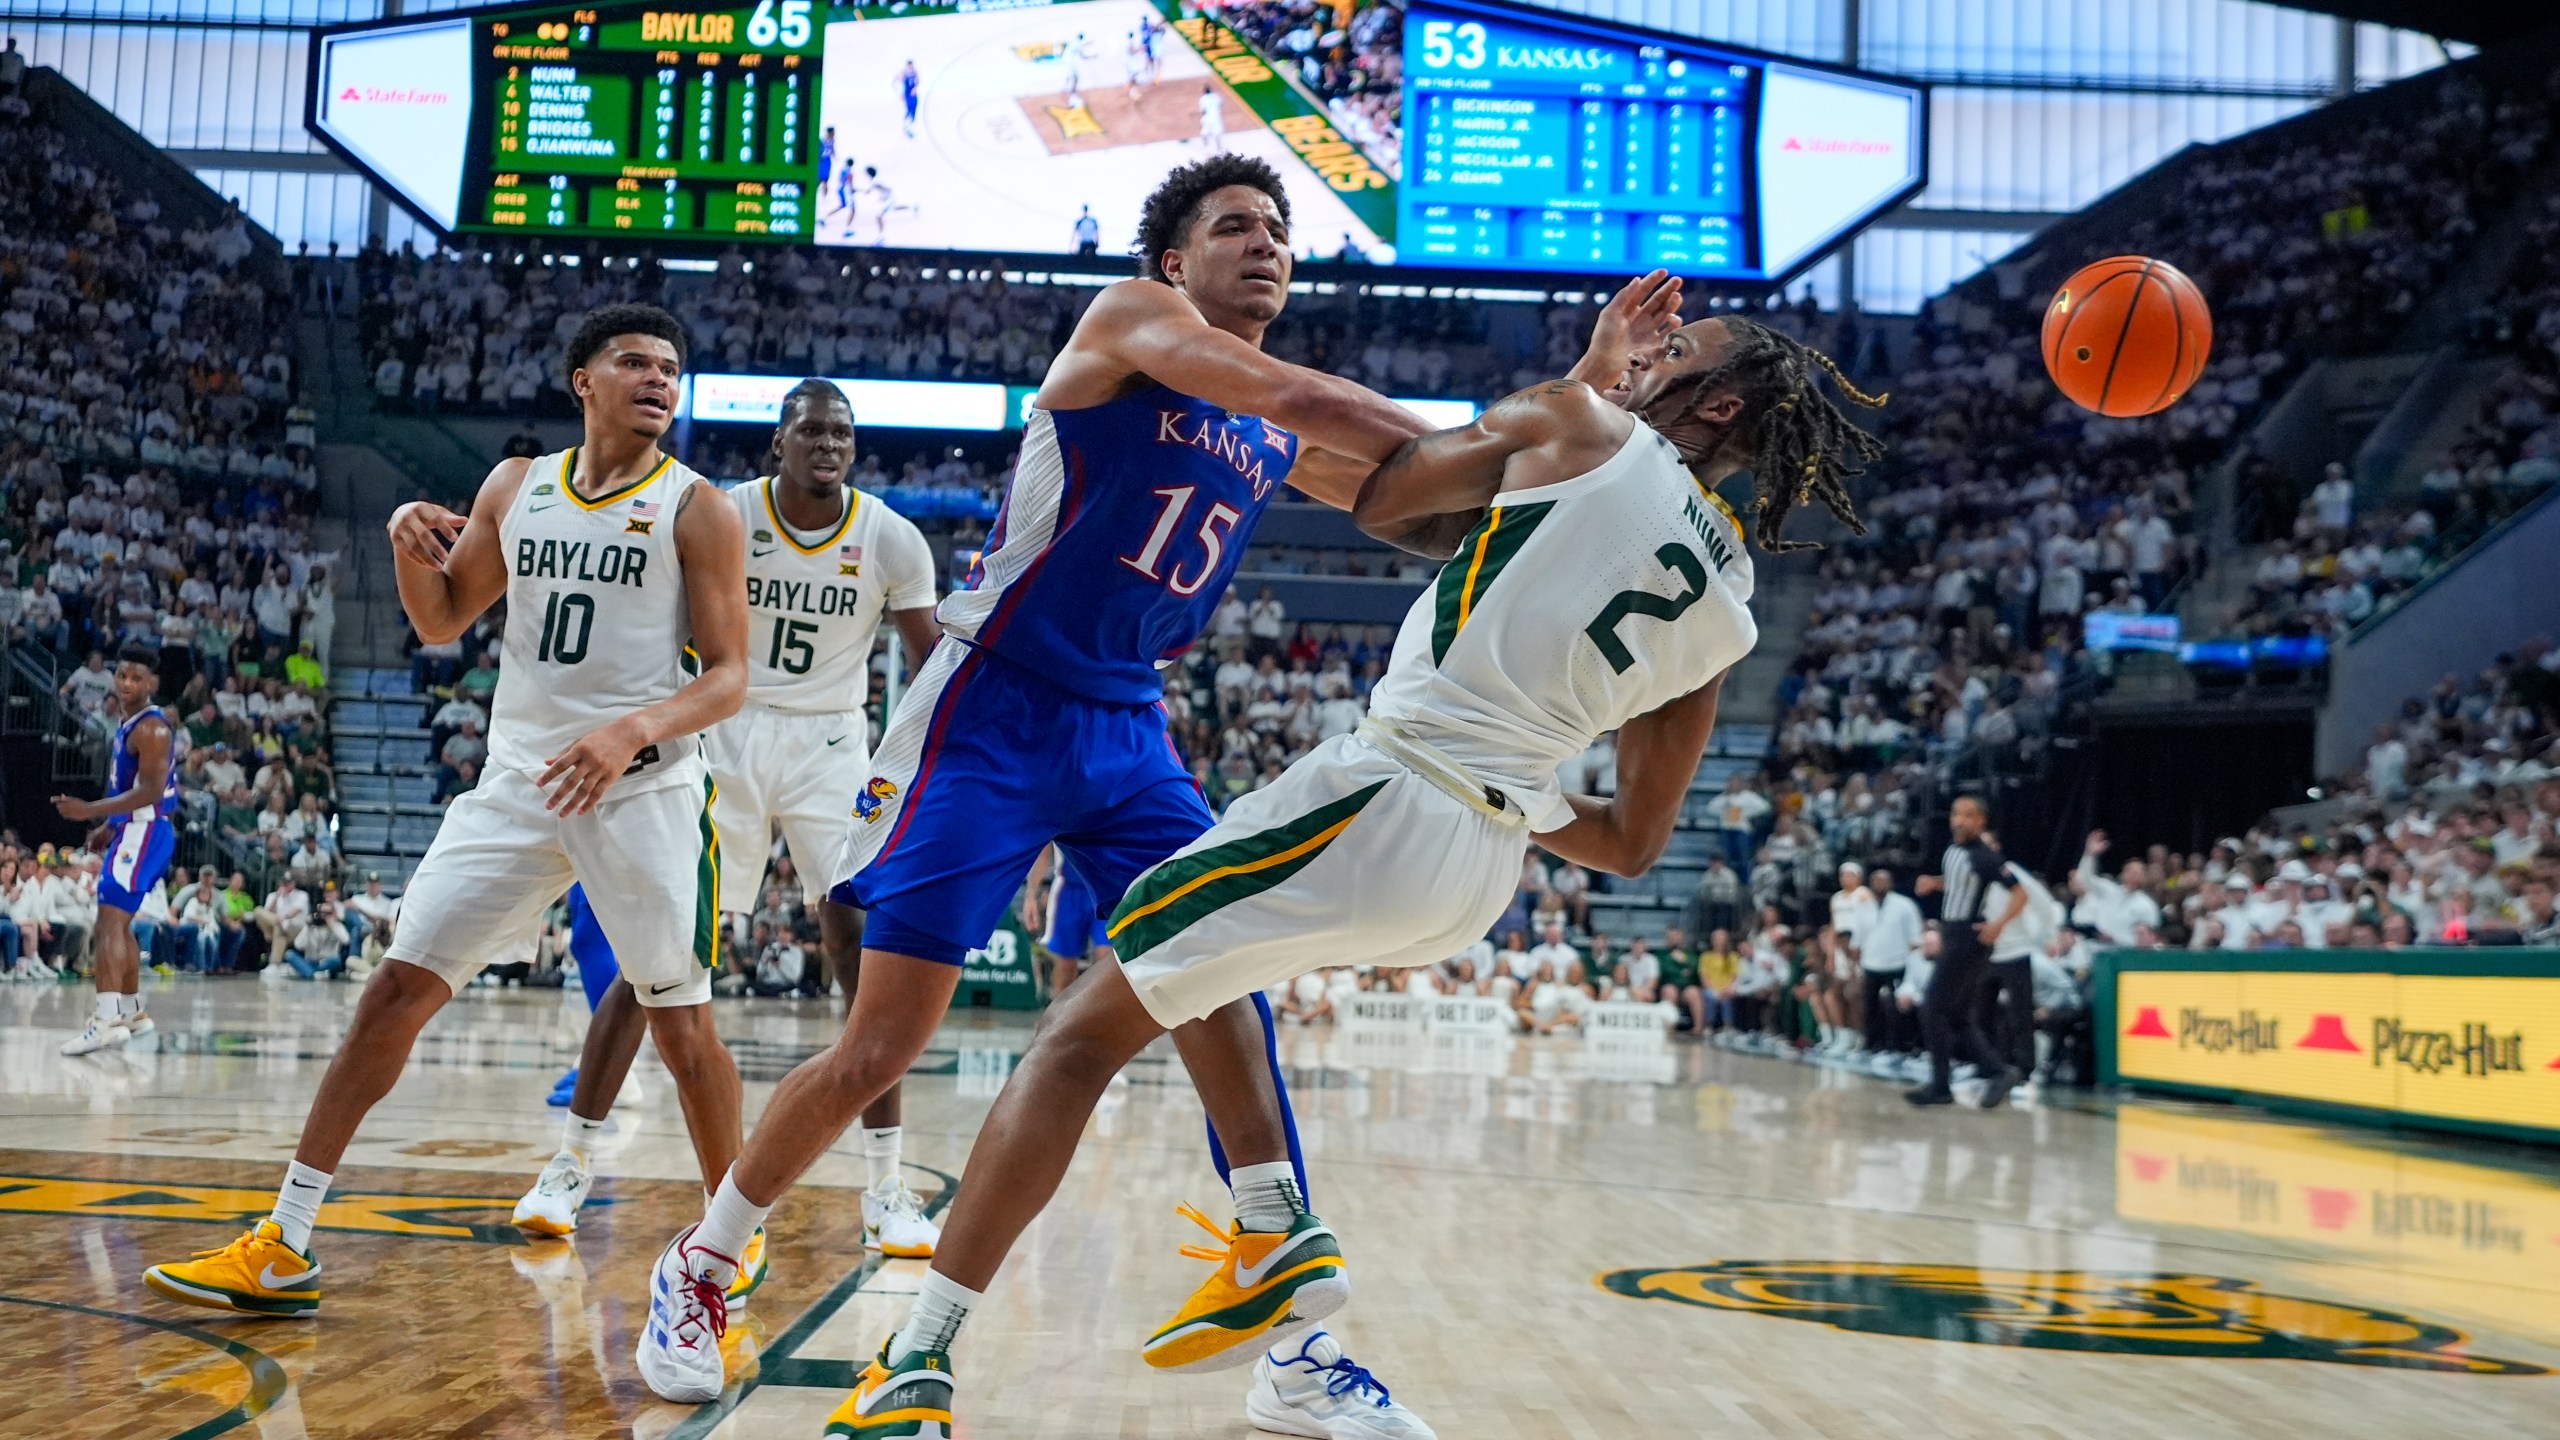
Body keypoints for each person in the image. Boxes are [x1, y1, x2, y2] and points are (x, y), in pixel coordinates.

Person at [838, 272, 1887, 1437]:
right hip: (1478, 871)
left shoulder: (1576, 419)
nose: (1653, 349)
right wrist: (1521, 788)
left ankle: (918, 1357)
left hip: (1381, 796)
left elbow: (1394, 503)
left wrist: (1586, 379)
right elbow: (1633, 843)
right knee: (1200, 984)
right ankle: (1287, 1317)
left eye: (1675, 346)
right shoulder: (1732, 603)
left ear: (1719, 402)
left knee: (1077, 1037)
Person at [637, 157, 1437, 1423]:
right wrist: (1487, 433)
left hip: (1128, 728)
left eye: (1280, 232)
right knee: (880, 1045)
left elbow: (1412, 505)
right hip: (990, 706)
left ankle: (1282, 1299)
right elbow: (1302, 392)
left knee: (1222, 965)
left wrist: (1578, 448)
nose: (1267, 245)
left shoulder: (1267, 426)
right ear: (1175, 262)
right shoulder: (1130, 321)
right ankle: (705, 1259)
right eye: (1236, 227)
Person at [144, 304, 753, 1321]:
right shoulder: (517, 486)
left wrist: (628, 731)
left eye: (670, 369)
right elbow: (437, 622)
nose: (658, 380)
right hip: (518, 784)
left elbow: (730, 679)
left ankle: (730, 1239)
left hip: (643, 790)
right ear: (582, 381)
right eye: (635, 363)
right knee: (392, 994)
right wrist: (398, 540)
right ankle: (286, 1240)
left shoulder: (699, 508)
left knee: (683, 1033)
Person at [512, 379, 944, 1261]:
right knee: (662, 953)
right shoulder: (721, 513)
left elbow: (930, 667)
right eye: (810, 430)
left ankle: (887, 1187)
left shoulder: (892, 538)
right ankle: (570, 1163)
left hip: (831, 744)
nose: (828, 444)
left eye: (842, 434)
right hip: (725, 732)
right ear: (776, 444)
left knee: (863, 951)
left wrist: (926, 770)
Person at [54, 643, 175, 1055]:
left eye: (135, 678)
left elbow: (150, 791)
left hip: (145, 831)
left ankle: (104, 1021)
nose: (126, 683)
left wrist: (90, 810)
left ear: (151, 683)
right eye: (121, 675)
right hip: (134, 830)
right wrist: (109, 825)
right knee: (119, 925)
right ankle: (134, 1013)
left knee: (108, 923)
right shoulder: (130, 722)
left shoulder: (152, 728)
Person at [1908, 795, 2029, 1109]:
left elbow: (2020, 893)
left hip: (1967, 938)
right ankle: (1998, 1071)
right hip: (1954, 934)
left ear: (1980, 822)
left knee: (1932, 1007)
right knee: (1959, 1015)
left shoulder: (1984, 856)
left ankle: (1940, 1084)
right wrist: (1935, 884)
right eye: (1956, 813)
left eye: (1968, 815)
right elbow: (1961, 883)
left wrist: (1998, 924)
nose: (1959, 819)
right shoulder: (1954, 850)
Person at [1023, 844, 1110, 996]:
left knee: (1106, 958)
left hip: (1103, 888)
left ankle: (1101, 1014)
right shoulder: (1059, 820)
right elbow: (1043, 855)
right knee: (1066, 965)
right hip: (1068, 891)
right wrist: (1031, 896)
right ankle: (1057, 1014)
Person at [1859, 867, 1923, 1057]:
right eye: (1875, 880)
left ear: (1890, 883)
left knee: (1898, 1008)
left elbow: (1915, 937)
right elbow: (1858, 936)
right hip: (1870, 963)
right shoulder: (1863, 905)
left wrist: (1911, 962)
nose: (1879, 884)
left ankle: (1902, 1046)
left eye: (1883, 880)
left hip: (1897, 963)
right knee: (1870, 1007)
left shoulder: (1904, 905)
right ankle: (1872, 1044)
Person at [1197, 82, 1225, 153]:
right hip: (1216, 117)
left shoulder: (1203, 99)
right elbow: (1221, 104)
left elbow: (1203, 111)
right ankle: (1219, 149)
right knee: (1217, 133)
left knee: (1204, 133)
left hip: (1207, 118)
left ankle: (1206, 147)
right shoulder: (1216, 96)